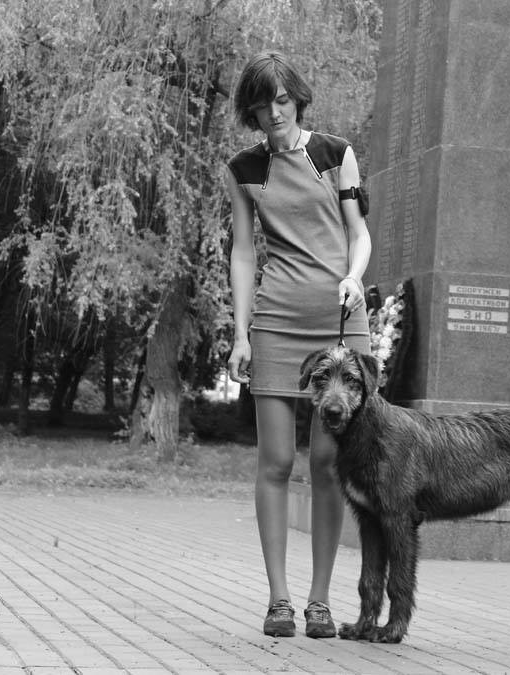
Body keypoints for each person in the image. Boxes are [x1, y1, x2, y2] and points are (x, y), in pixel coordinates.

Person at [225, 51, 372, 639]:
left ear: (298, 100)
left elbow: (358, 235)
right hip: (276, 320)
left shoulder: (336, 154)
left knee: (330, 463)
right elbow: (242, 252)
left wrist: (354, 276)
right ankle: (280, 600)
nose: (274, 113)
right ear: (252, 112)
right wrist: (240, 332)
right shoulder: (244, 168)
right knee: (278, 461)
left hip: (341, 322)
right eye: (262, 106)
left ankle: (319, 602)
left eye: (283, 101)